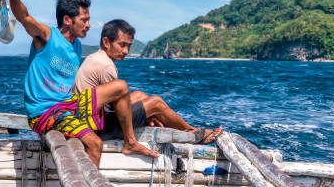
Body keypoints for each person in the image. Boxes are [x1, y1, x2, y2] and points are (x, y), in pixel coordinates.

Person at [7, 0, 159, 166]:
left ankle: (131, 139)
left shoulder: (77, 46)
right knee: (95, 144)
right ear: (67, 20)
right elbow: (25, 17)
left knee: (122, 89)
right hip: (45, 113)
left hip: (68, 105)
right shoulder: (47, 37)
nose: (88, 25)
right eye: (84, 20)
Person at [72, 19, 222, 143]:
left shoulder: (96, 58)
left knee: (139, 94)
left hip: (88, 119)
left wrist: (146, 113)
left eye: (129, 46)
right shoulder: (106, 66)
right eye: (122, 45)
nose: (125, 51)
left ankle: (186, 128)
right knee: (156, 102)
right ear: (106, 42)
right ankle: (194, 132)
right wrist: (148, 114)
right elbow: (116, 109)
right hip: (95, 129)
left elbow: (112, 103)